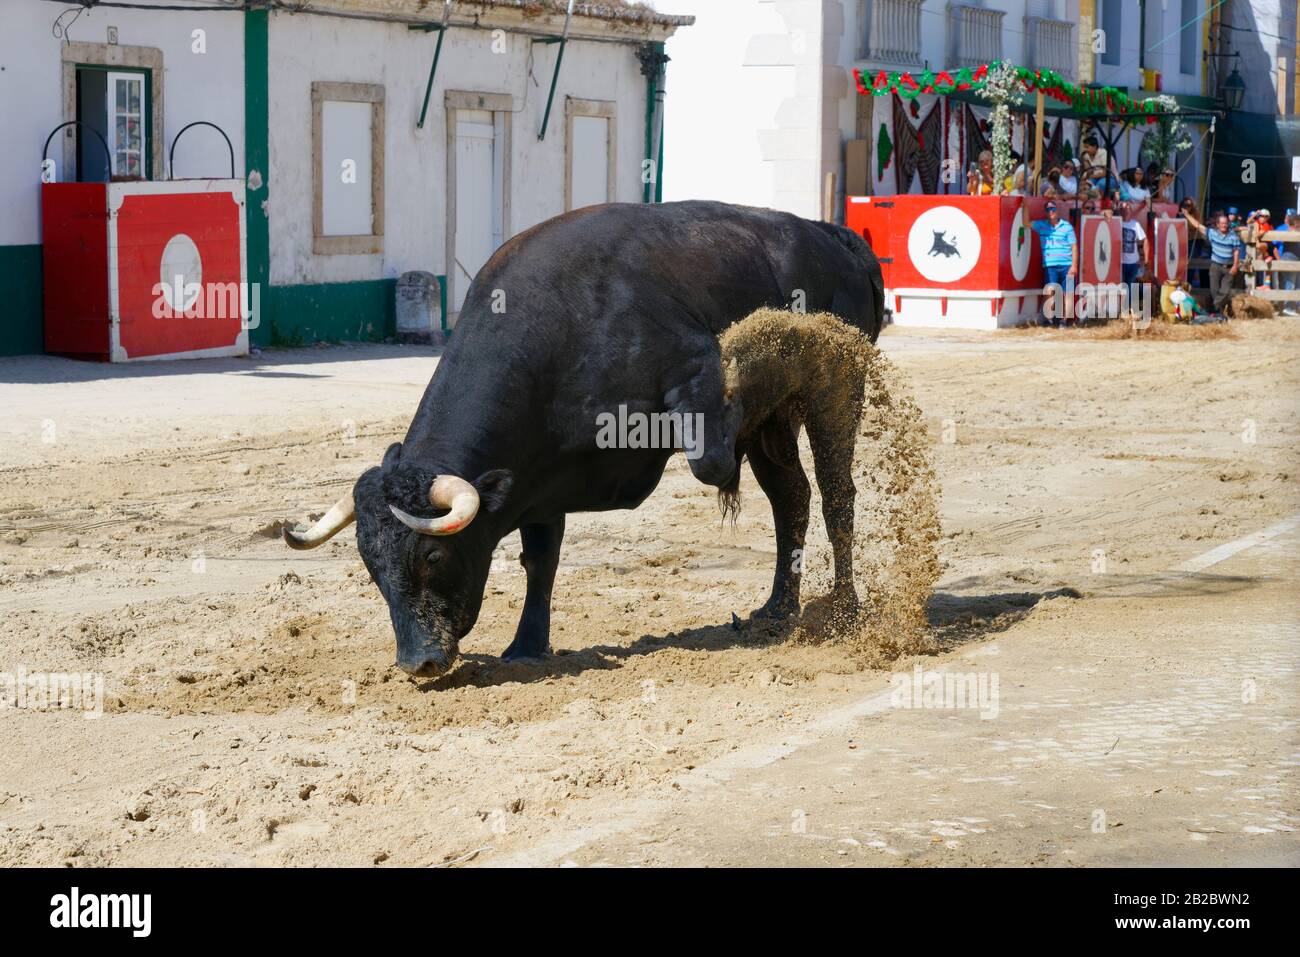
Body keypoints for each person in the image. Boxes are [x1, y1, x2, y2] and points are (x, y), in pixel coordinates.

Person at [1184, 209, 1244, 317]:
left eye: (1225, 223)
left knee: (1225, 291)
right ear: (1217, 224)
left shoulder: (1233, 236)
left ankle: (1211, 310)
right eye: (1222, 224)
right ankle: (1219, 313)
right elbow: (1198, 226)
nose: (1224, 225)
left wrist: (1235, 265)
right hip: (1216, 265)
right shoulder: (1212, 233)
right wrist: (1187, 215)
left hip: (1229, 267)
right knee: (1214, 290)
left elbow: (1236, 251)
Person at [1032, 201, 1079, 326]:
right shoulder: (1041, 225)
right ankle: (1048, 318)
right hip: (1050, 265)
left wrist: (1074, 266)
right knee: (1050, 291)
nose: (1050, 211)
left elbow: (1074, 247)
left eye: (1052, 209)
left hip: (1067, 265)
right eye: (1048, 210)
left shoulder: (1067, 227)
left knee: (1067, 293)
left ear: (1057, 211)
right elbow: (1025, 223)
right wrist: (1025, 206)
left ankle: (1063, 320)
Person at [1118, 201, 1149, 288]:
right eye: (1122, 208)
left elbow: (1145, 240)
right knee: (1121, 289)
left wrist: (1146, 260)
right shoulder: (1116, 222)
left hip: (1133, 264)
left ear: (1130, 211)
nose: (1125, 210)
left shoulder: (1135, 224)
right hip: (1119, 263)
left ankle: (1142, 295)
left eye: (1127, 207)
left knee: (1129, 289)